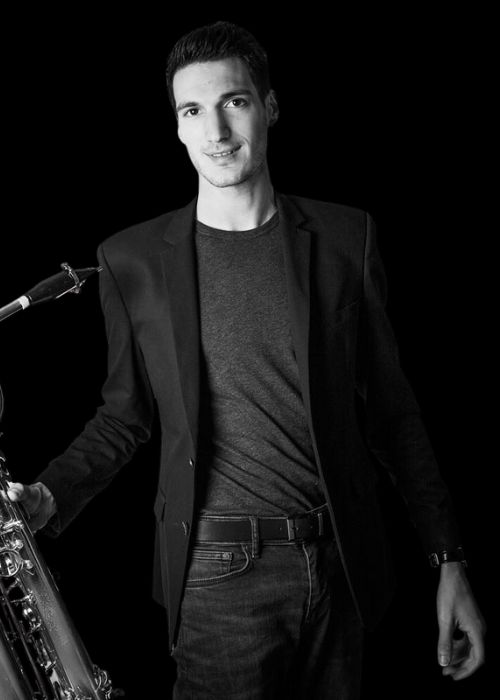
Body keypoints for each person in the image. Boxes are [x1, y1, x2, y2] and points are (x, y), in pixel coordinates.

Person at [6, 21, 485, 699]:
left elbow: (393, 414)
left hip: (343, 565)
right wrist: (48, 495)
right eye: (192, 111)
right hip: (219, 570)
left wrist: (448, 559)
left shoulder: (347, 238)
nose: (216, 131)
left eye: (234, 102)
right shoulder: (131, 259)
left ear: (270, 106)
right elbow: (124, 417)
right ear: (177, 127)